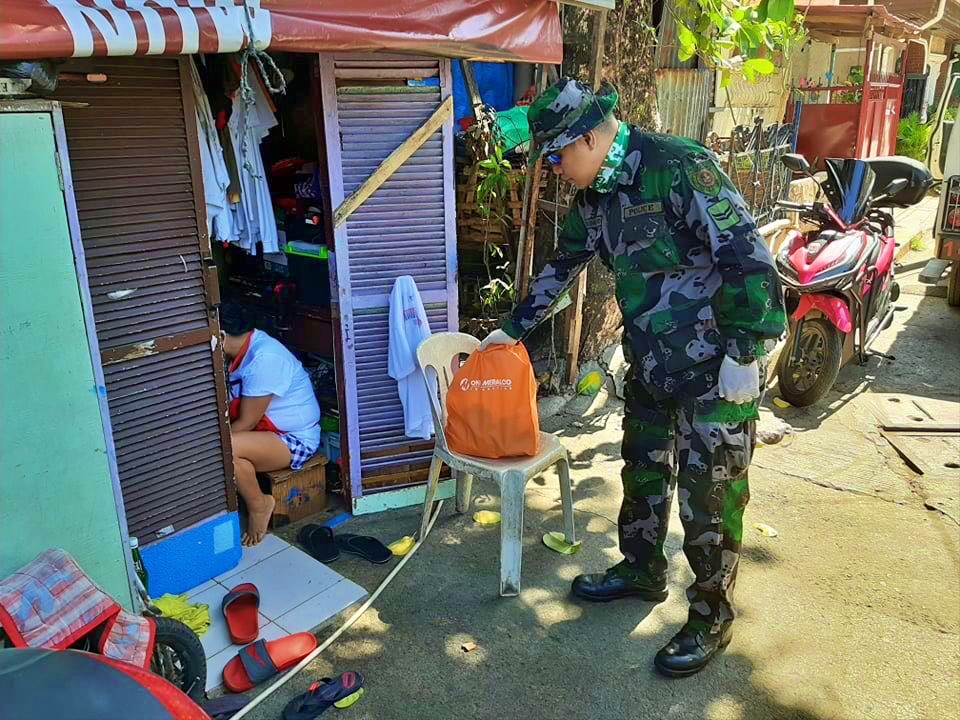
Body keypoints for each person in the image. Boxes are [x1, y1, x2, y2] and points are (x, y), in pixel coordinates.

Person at [481, 78, 786, 677]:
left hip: (715, 370)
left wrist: (745, 350)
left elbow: (746, 253)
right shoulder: (595, 196)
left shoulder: (679, 168)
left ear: (590, 137)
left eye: (559, 154)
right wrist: (512, 328)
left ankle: (711, 614)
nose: (556, 168)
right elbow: (562, 263)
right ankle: (641, 570)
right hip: (651, 362)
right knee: (643, 469)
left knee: (711, 495)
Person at [222, 326, 321, 546]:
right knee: (232, 456)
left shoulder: (264, 358)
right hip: (265, 435)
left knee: (224, 447)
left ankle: (259, 506)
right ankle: (260, 500)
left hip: (295, 439)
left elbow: (247, 422)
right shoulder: (236, 356)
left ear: (219, 335)